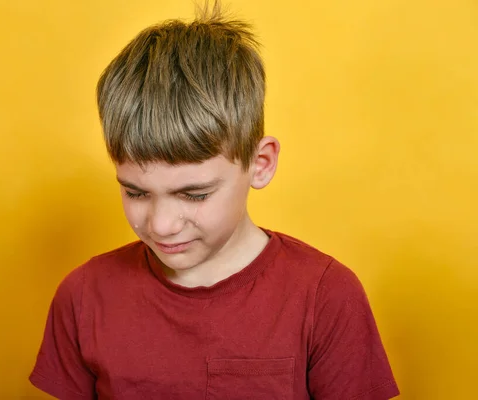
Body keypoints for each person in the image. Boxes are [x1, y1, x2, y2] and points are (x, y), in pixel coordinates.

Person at [29, 2, 400, 399]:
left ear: (260, 164)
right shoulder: (83, 296)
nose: (161, 224)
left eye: (194, 194)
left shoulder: (326, 296)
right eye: (135, 192)